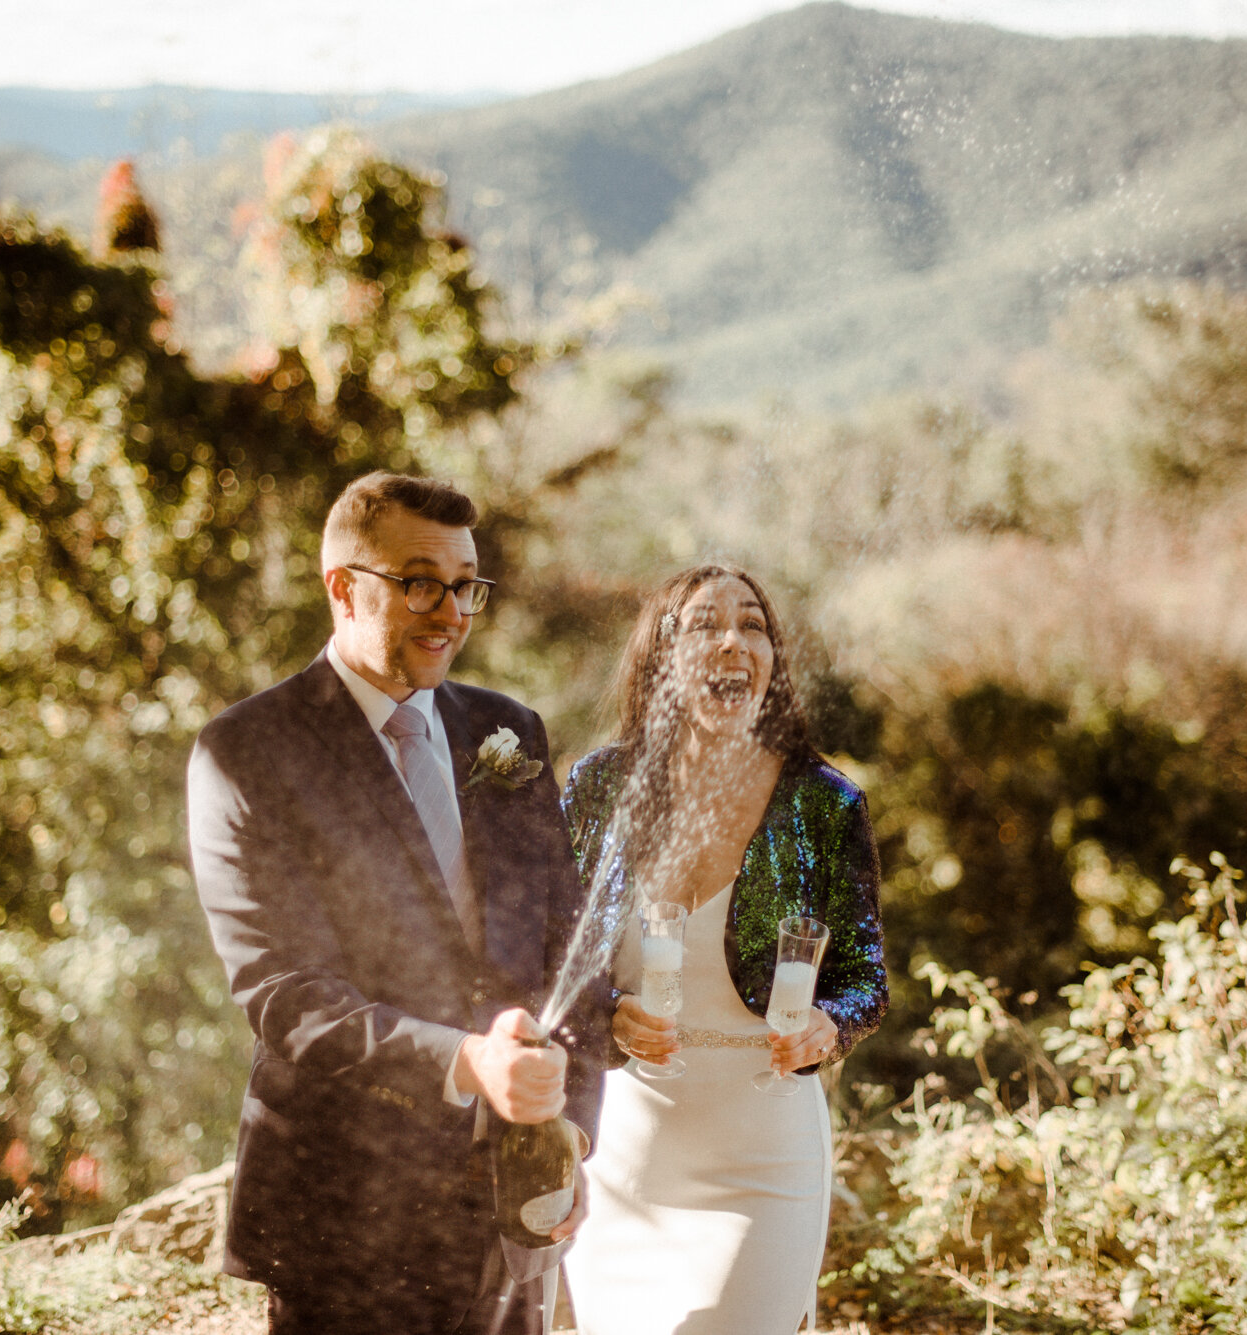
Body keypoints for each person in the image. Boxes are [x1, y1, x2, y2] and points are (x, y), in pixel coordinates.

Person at [185, 472, 599, 1333]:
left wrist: (569, 1136)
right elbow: (282, 993)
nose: (450, 611)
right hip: (344, 1217)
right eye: (419, 582)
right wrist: (465, 1060)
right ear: (344, 586)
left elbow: (566, 945)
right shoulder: (246, 752)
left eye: (464, 586)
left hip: (510, 1210)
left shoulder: (508, 730)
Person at [562, 564, 888, 1335]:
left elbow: (864, 978)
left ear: (772, 660)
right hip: (628, 1154)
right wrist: (606, 1013)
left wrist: (827, 1027)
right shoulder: (601, 786)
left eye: (753, 625)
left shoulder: (824, 800)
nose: (734, 640)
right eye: (705, 624)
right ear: (662, 656)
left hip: (765, 1154)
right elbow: (552, 960)